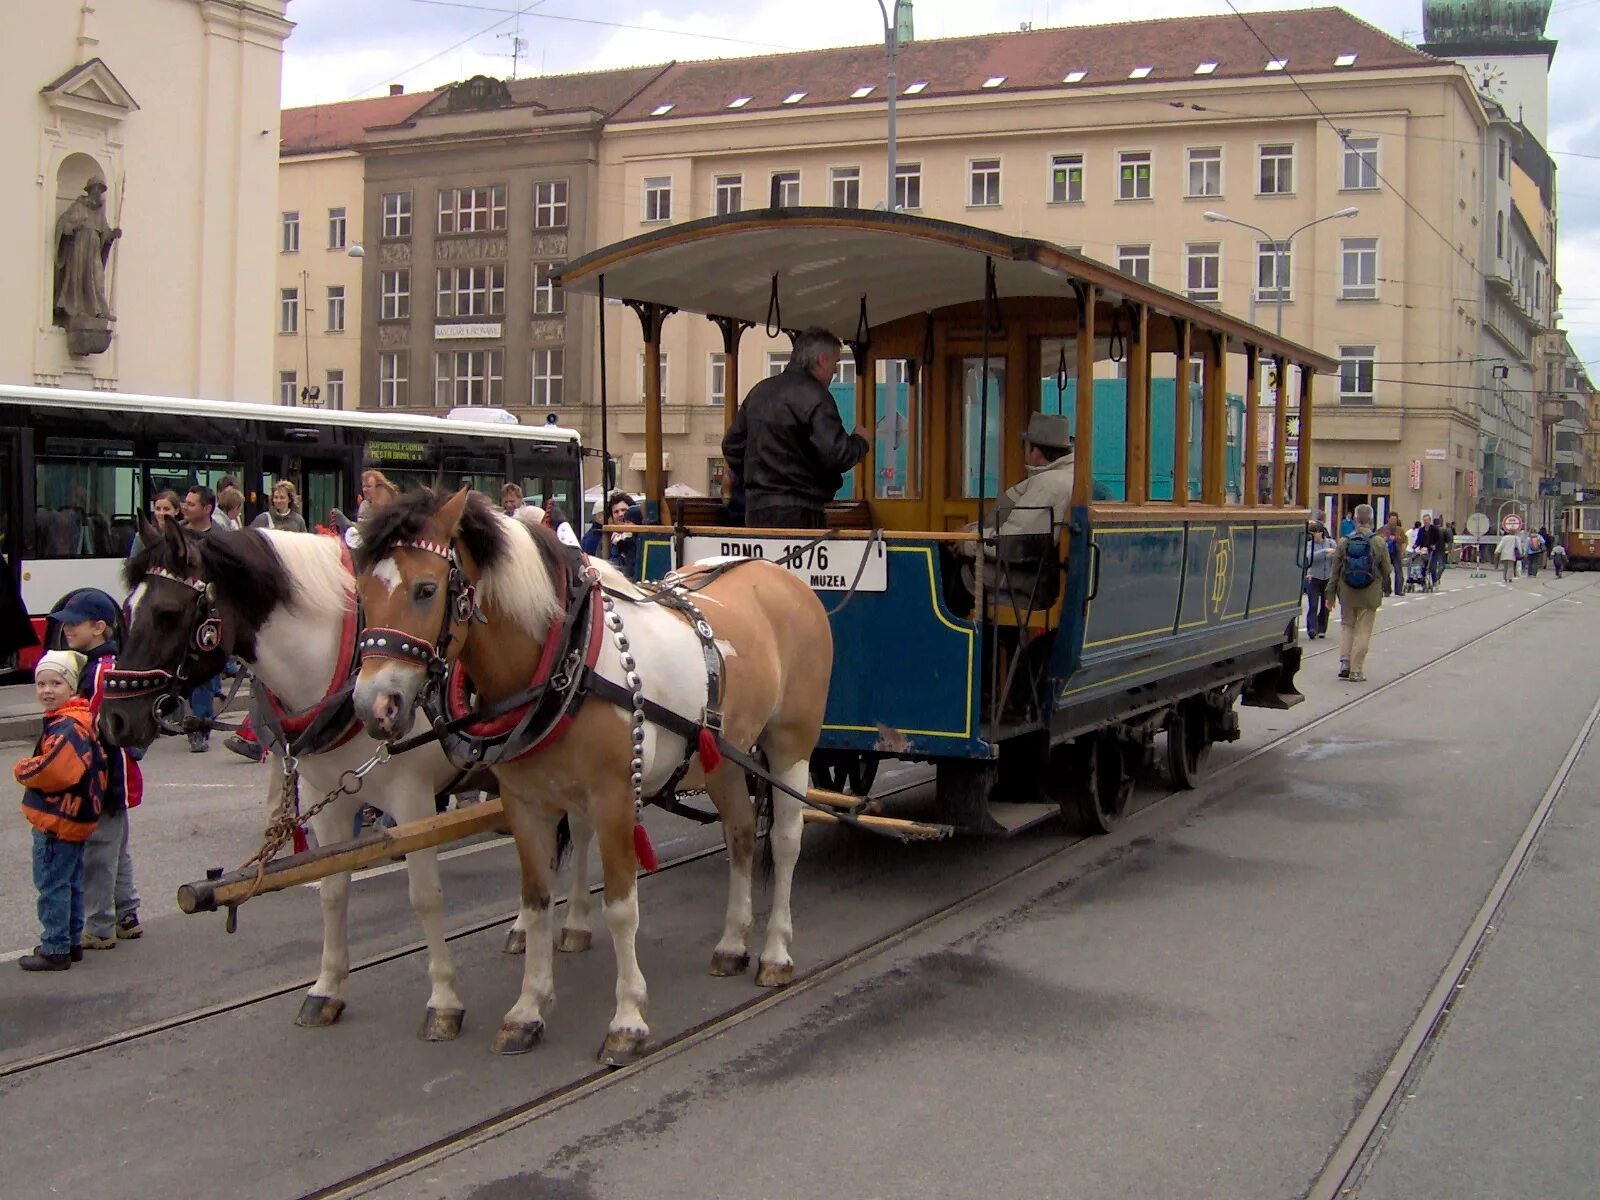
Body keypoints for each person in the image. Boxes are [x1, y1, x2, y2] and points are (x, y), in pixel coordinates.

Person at [50, 589, 143, 947]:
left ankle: (100, 926)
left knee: (99, 853)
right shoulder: (105, 665)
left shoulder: (102, 669)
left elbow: (86, 723)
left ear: (100, 627)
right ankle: (126, 914)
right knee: (117, 849)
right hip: (114, 773)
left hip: (103, 775)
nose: (67, 630)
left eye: (74, 624)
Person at [722, 326, 869, 530]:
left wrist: (758, 477)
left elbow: (732, 446)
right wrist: (860, 441)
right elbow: (838, 454)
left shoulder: (759, 392)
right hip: (801, 512)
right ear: (822, 359)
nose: (835, 372)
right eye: (835, 364)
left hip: (756, 511)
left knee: (764, 562)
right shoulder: (816, 396)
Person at [16, 650, 106, 971]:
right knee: (71, 882)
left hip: (57, 820)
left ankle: (55, 947)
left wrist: (23, 769)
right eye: (41, 684)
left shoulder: (65, 726)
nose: (47, 690)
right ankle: (70, 941)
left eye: (56, 682)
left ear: (71, 687)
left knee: (52, 883)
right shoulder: (79, 719)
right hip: (76, 818)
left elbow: (56, 771)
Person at [1327, 503, 1392, 683]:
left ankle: (1345, 663)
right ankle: (1356, 671)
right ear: (1371, 520)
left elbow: (1335, 571)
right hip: (1369, 594)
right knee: (1363, 631)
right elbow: (1387, 569)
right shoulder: (1378, 542)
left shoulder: (1344, 541)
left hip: (1347, 592)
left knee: (1347, 626)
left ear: (1355, 519)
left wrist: (1330, 594)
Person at [182, 486, 222, 752]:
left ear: (207, 509)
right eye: (185, 503)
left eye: (192, 504)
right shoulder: (179, 533)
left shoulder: (221, 537)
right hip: (183, 612)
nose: (186, 507)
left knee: (204, 670)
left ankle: (200, 728)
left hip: (209, 615)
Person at [52, 175, 121, 330]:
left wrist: (113, 233)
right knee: (77, 277)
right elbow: (64, 224)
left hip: (94, 250)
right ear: (90, 190)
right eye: (97, 189)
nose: (99, 193)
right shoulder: (79, 206)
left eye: (101, 190)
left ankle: (100, 309)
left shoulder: (99, 213)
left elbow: (105, 232)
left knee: (97, 277)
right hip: (79, 248)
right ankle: (77, 309)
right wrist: (71, 227)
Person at [1304, 524, 1334, 639]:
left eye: (1315, 533)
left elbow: (1337, 556)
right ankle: (1312, 628)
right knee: (1313, 604)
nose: (1314, 536)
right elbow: (1310, 556)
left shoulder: (1331, 543)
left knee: (1325, 605)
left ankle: (1322, 628)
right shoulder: (1309, 545)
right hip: (1314, 577)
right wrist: (1325, 551)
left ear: (1321, 533)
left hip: (1327, 578)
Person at [606, 492, 640, 577]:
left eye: (623, 510)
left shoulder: (639, 537)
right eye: (616, 512)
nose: (620, 514)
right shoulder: (606, 538)